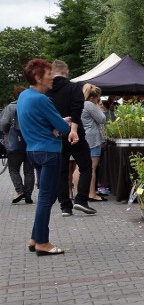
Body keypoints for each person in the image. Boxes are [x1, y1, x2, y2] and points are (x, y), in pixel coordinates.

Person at [16, 59, 74, 255]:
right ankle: (42, 242)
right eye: (49, 75)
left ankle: (35, 238)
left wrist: (53, 126)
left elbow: (36, 122)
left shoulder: (24, 96)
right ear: (39, 78)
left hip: (33, 150)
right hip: (49, 151)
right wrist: (60, 125)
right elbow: (64, 127)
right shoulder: (42, 99)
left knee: (45, 197)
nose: (52, 78)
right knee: (46, 198)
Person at [47, 59, 96, 216]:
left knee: (61, 171)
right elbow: (77, 108)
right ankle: (81, 200)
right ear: (66, 72)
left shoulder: (46, 91)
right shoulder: (73, 87)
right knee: (86, 165)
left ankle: (65, 206)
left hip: (55, 135)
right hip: (75, 133)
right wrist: (74, 128)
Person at [0, 86, 36, 204]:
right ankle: (29, 195)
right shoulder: (32, 106)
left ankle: (20, 191)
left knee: (13, 169)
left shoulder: (10, 107)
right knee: (29, 170)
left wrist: (6, 132)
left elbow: (4, 124)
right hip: (30, 142)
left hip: (14, 143)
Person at [81, 83, 107, 203]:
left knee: (83, 167)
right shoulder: (90, 105)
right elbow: (102, 119)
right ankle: (92, 194)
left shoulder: (80, 103)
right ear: (94, 97)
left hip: (85, 137)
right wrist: (97, 106)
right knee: (92, 167)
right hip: (93, 139)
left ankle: (84, 192)